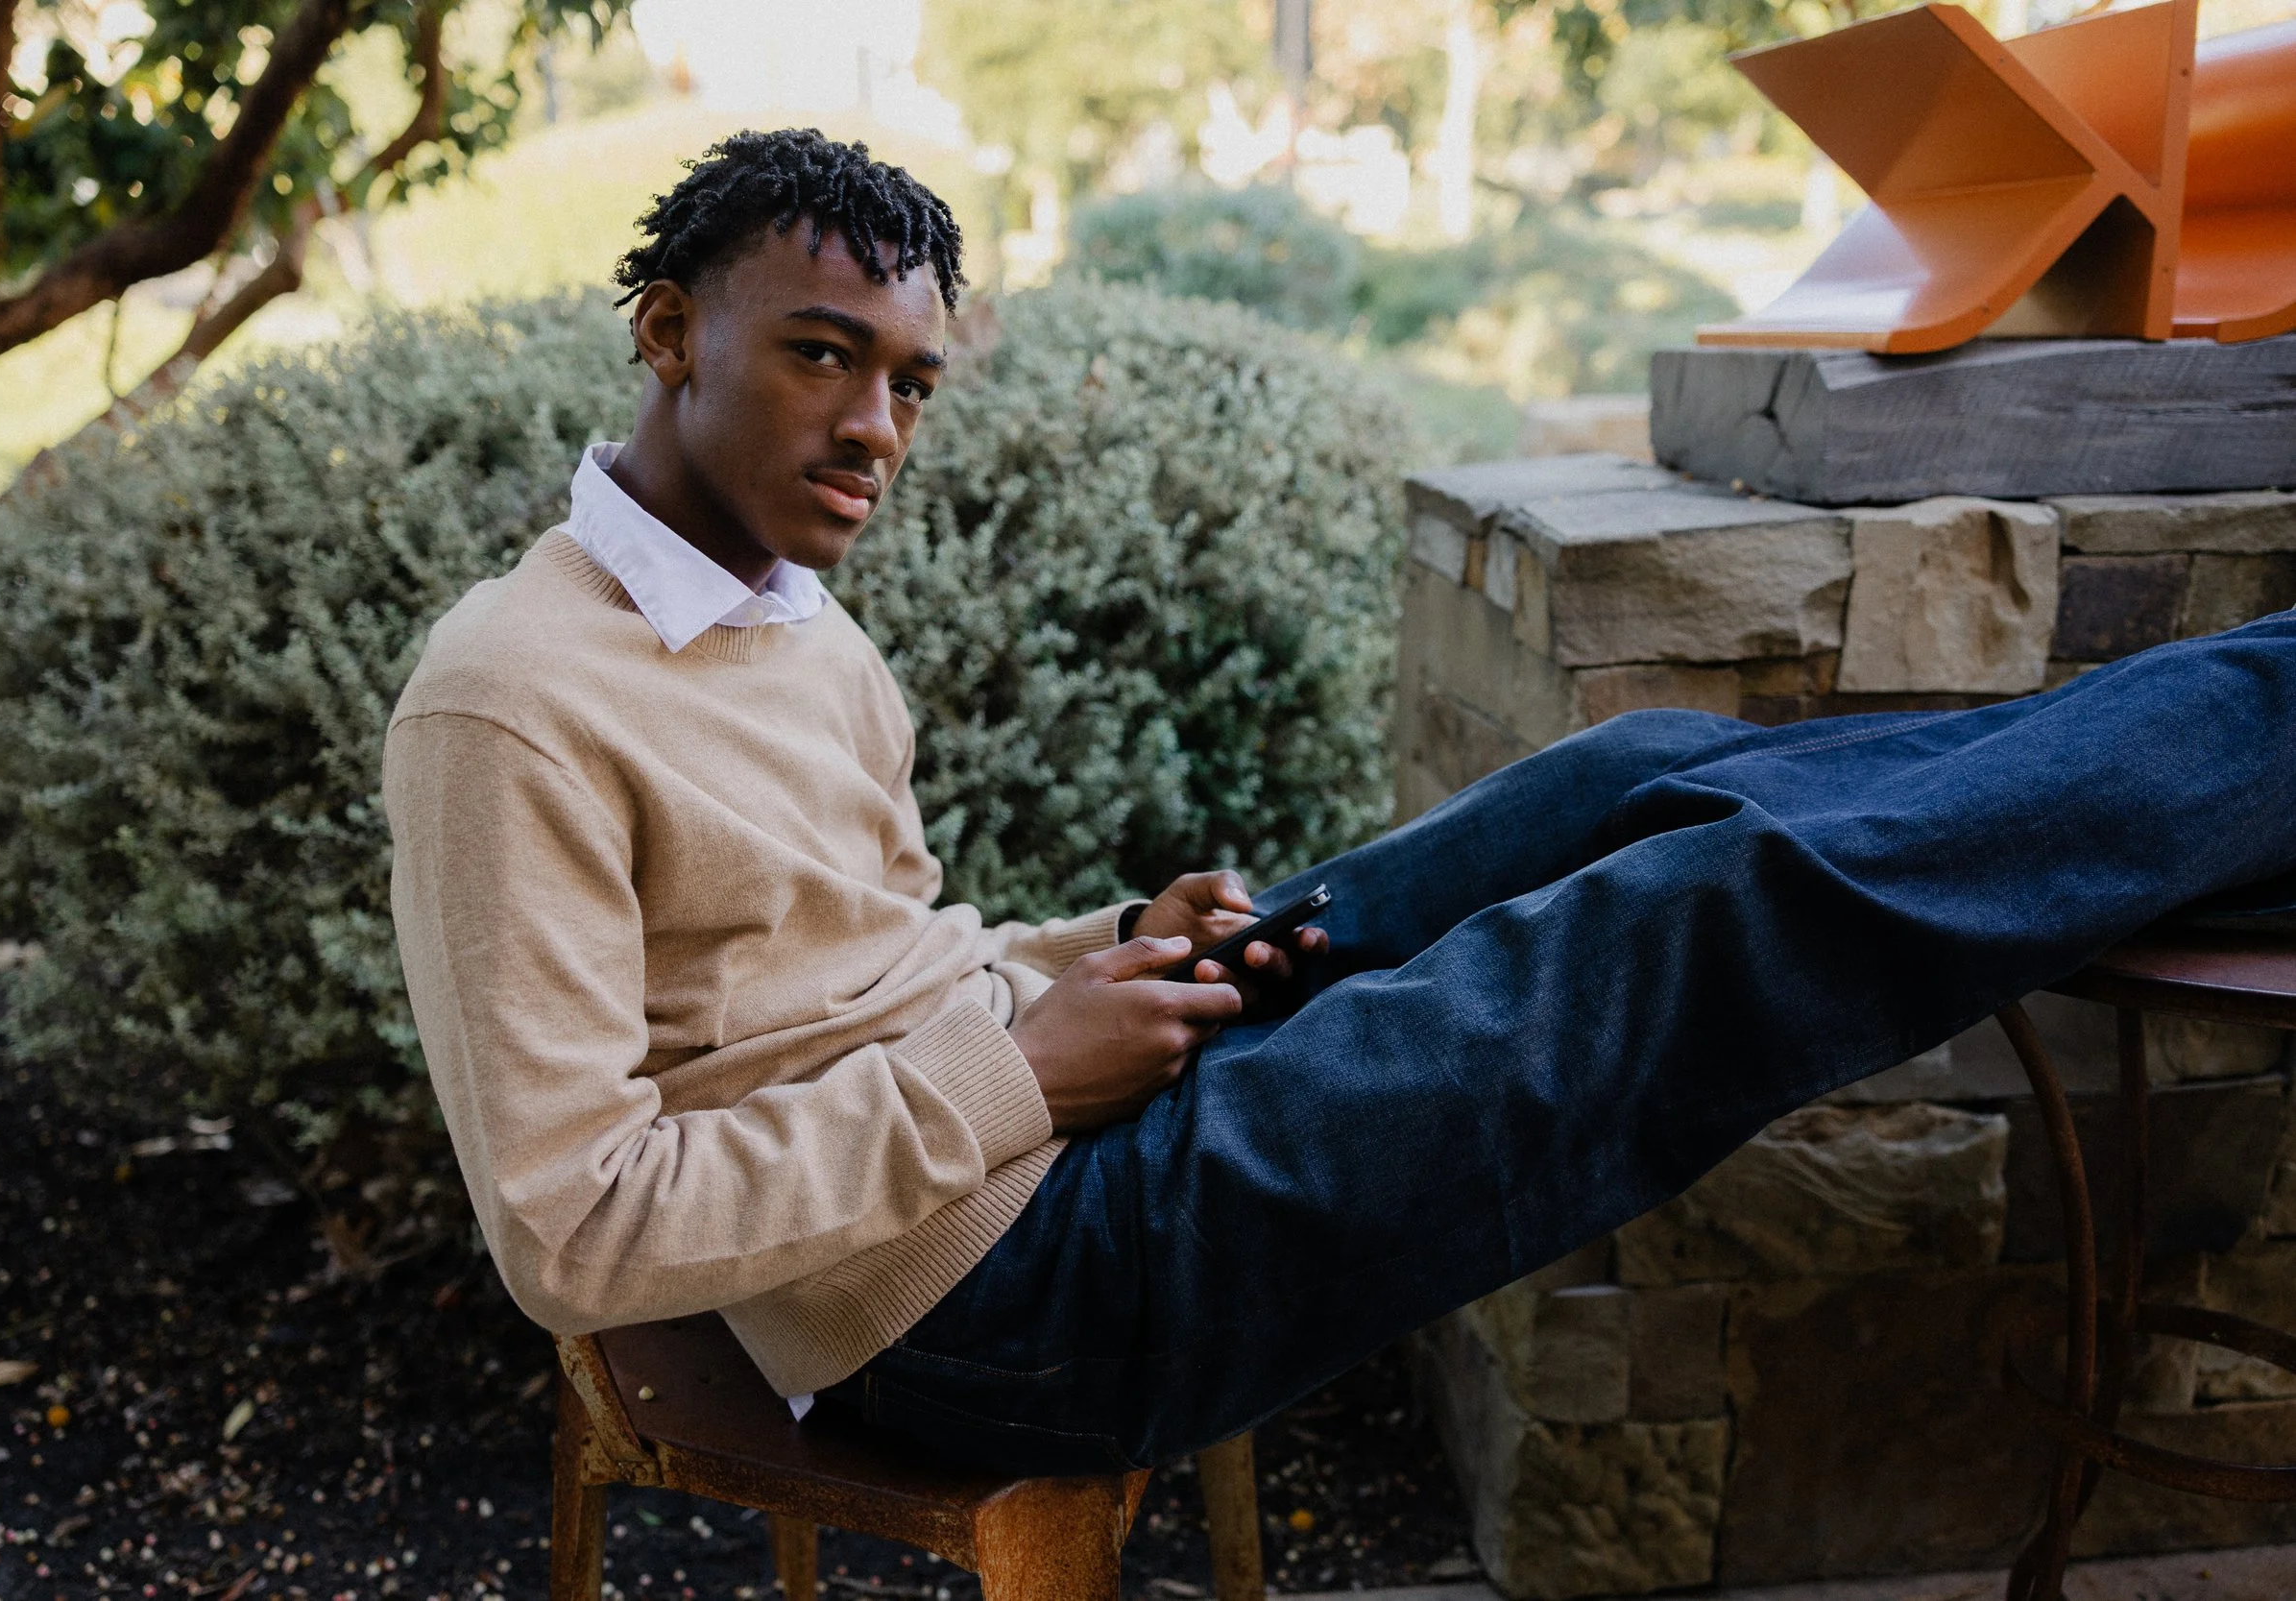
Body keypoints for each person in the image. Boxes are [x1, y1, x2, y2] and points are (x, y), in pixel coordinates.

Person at [383, 128, 2296, 1477]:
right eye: (820, 356)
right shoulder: (511, 699)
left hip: (1027, 1142)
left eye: (908, 381)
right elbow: (569, 1227)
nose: (874, 427)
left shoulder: (784, 621)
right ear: (664, 331)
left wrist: (1092, 956)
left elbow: (840, 968)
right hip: (995, 1315)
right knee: (1677, 925)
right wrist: (1022, 1076)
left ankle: (2216, 783)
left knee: (1625, 773)